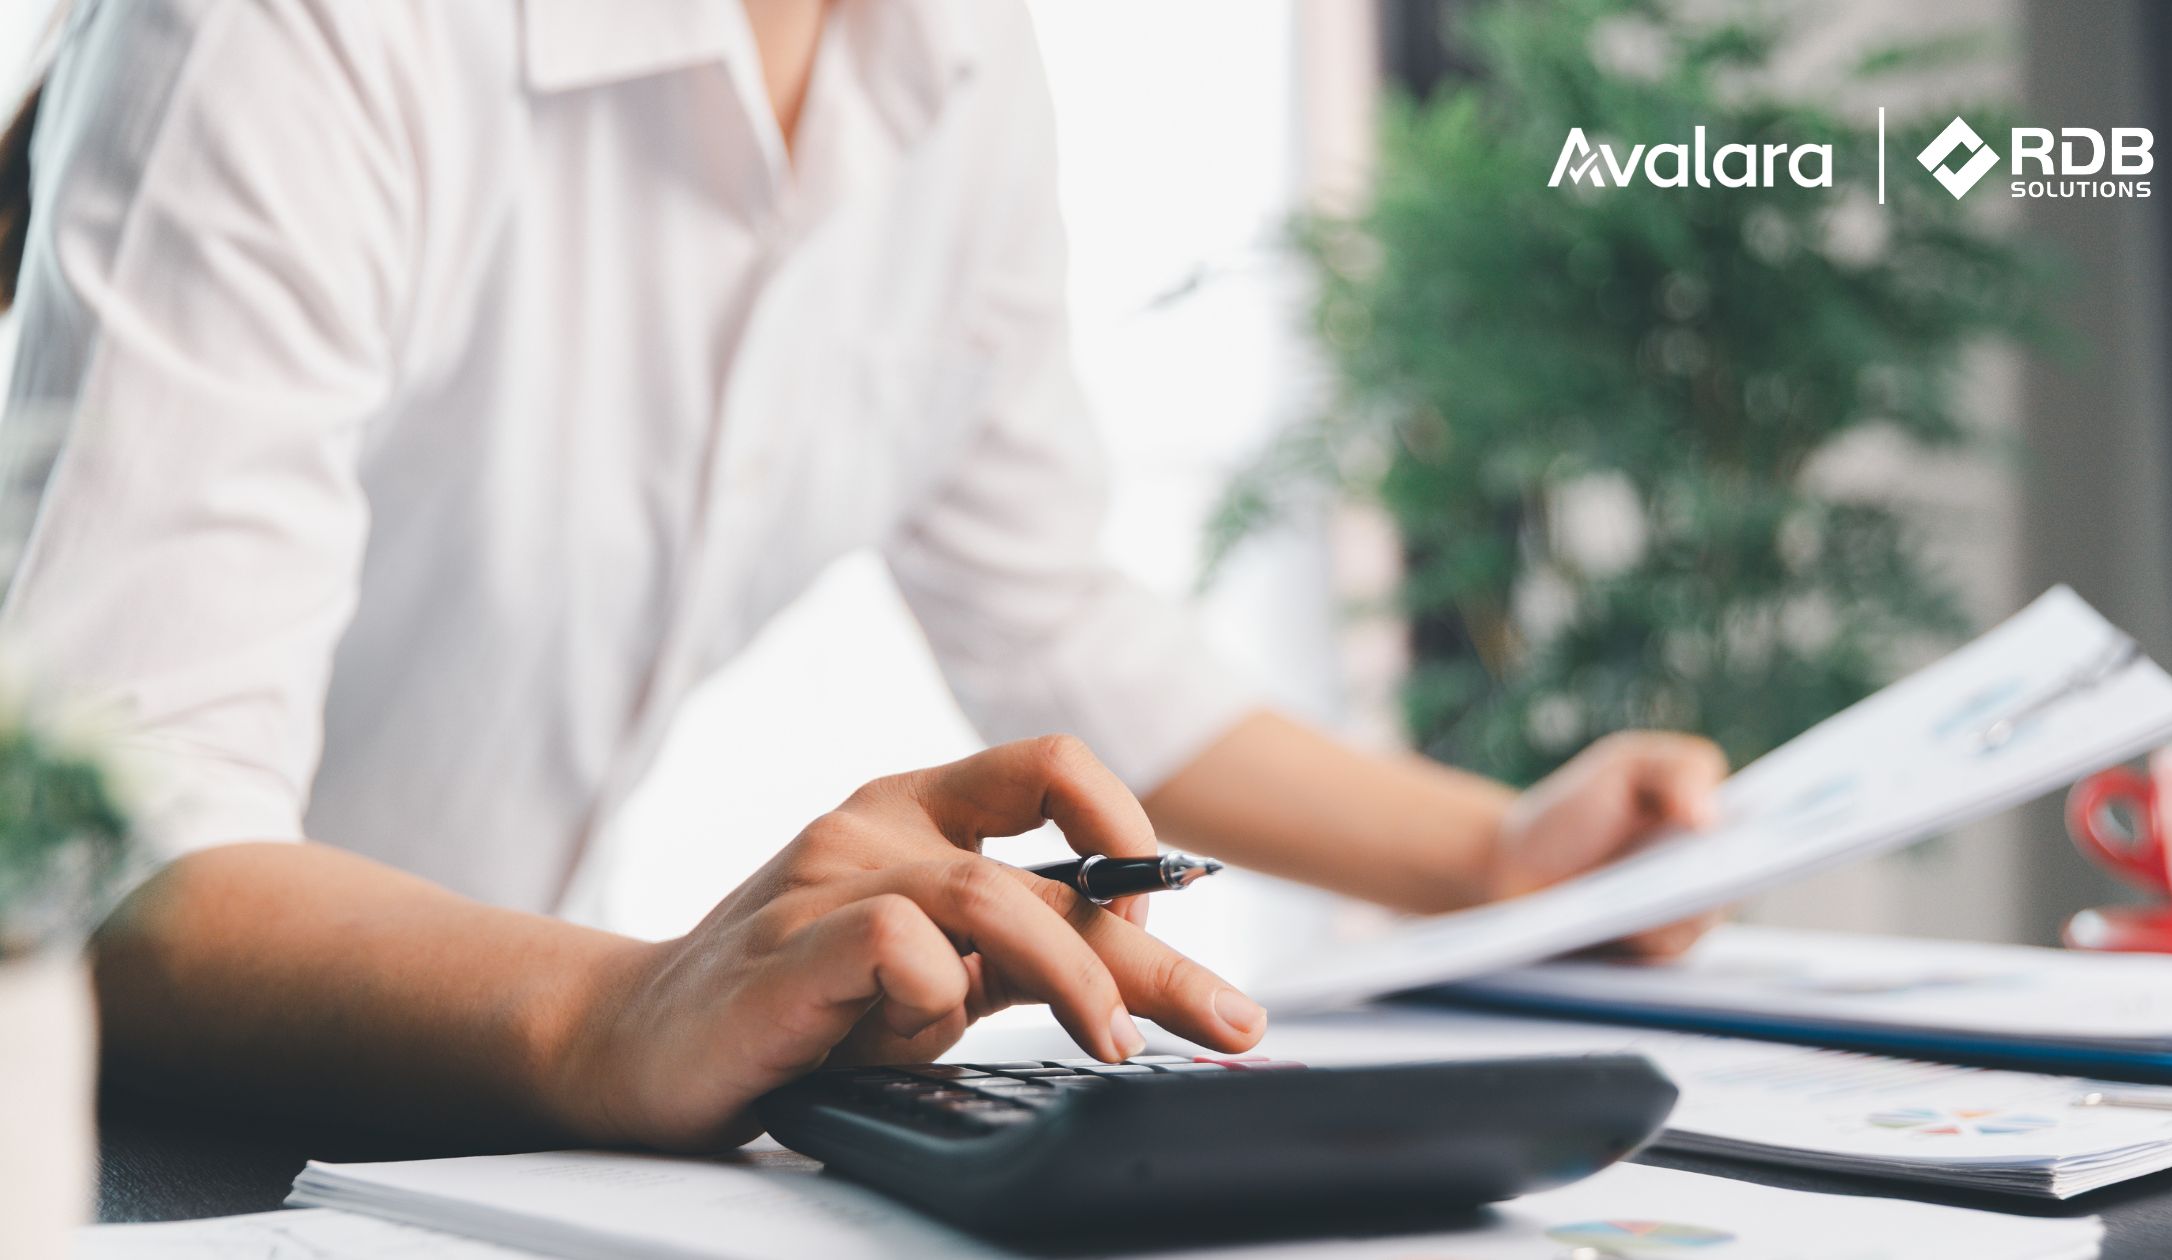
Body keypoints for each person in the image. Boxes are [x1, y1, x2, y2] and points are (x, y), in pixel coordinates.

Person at [0, 0, 1725, 1153]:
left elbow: (1049, 611)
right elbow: (101, 852)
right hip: (112, 1133)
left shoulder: (953, 57)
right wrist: (623, 1008)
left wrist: (1494, 859)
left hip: (456, 1134)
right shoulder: (292, 28)